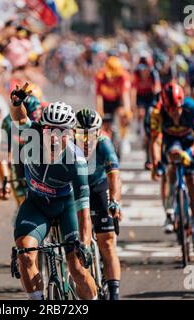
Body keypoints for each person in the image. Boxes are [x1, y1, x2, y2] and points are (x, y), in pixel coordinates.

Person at [9, 83, 97, 300]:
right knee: (26, 255)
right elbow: (19, 118)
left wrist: (83, 244)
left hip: (66, 207)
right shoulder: (32, 136)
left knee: (76, 268)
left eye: (62, 132)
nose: (55, 136)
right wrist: (17, 102)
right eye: (50, 129)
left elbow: (83, 210)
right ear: (42, 129)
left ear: (70, 133)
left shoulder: (76, 161)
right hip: (36, 205)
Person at [150, 81, 194, 251]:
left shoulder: (193, 109)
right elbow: (156, 140)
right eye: (171, 109)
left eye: (178, 108)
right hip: (171, 141)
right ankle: (169, 211)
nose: (175, 112)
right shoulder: (157, 112)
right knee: (170, 169)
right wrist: (156, 162)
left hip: (190, 143)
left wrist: (189, 153)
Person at [75, 108, 122, 300]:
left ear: (98, 132)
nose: (86, 141)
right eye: (81, 134)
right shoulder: (68, 145)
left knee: (107, 241)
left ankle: (114, 294)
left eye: (90, 135)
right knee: (77, 243)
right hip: (77, 188)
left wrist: (115, 202)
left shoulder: (104, 144)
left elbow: (114, 177)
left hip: (98, 186)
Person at [0, 91, 42, 206]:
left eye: (38, 115)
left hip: (39, 164)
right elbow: (3, 155)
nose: (35, 121)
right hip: (19, 168)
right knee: (25, 209)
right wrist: (5, 182)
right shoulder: (8, 122)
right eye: (33, 116)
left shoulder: (43, 118)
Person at [95, 56, 132, 155]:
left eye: (115, 76)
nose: (112, 78)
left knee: (123, 114)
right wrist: (100, 111)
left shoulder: (124, 76)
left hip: (117, 100)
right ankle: (106, 142)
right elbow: (99, 96)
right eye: (111, 76)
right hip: (106, 100)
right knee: (105, 124)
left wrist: (127, 110)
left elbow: (125, 96)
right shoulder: (100, 76)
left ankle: (124, 138)